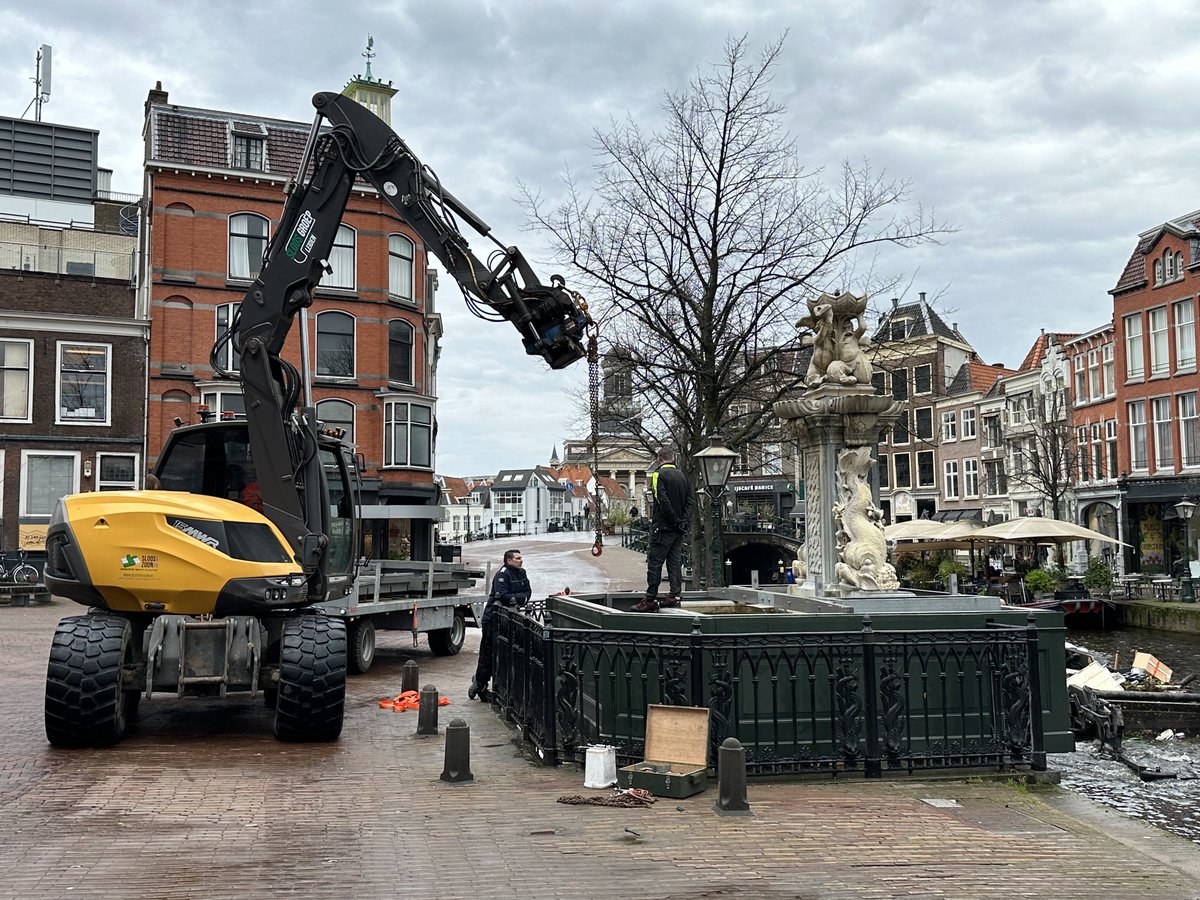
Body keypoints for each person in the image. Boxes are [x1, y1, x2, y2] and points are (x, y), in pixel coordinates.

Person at [633, 448, 694, 612]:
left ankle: (650, 599)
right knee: (675, 562)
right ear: (673, 459)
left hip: (663, 528)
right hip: (679, 530)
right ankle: (674, 595)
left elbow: (661, 500)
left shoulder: (657, 475)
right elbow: (690, 502)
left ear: (659, 459)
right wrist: (683, 522)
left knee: (655, 562)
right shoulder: (683, 477)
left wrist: (674, 520)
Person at [469, 548, 531, 700]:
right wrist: (520, 598)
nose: (521, 560)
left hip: (510, 619)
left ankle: (500, 687)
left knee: (506, 653)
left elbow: (528, 592)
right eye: (518, 558)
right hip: (493, 620)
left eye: (521, 557)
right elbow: (503, 596)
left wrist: (519, 598)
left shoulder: (522, 573)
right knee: (488, 654)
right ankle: (479, 685)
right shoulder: (502, 575)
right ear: (509, 561)